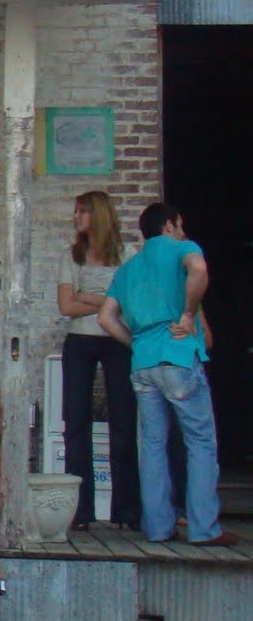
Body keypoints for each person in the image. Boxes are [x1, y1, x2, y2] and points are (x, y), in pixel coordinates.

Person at [98, 202, 237, 546]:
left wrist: (137, 343)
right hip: (177, 356)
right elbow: (199, 269)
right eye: (181, 224)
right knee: (201, 442)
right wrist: (188, 313)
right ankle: (204, 528)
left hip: (143, 364)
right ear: (171, 226)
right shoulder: (183, 249)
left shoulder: (128, 269)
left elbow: (105, 317)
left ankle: (158, 528)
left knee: (153, 446)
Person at [56, 191, 139, 531]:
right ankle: (81, 512)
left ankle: (127, 511)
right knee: (76, 424)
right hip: (80, 341)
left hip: (118, 342)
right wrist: (106, 301)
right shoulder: (71, 255)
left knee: (124, 424)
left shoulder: (127, 255)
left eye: (82, 212)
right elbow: (66, 307)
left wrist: (87, 297)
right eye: (76, 211)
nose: (76, 217)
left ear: (99, 215)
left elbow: (130, 305)